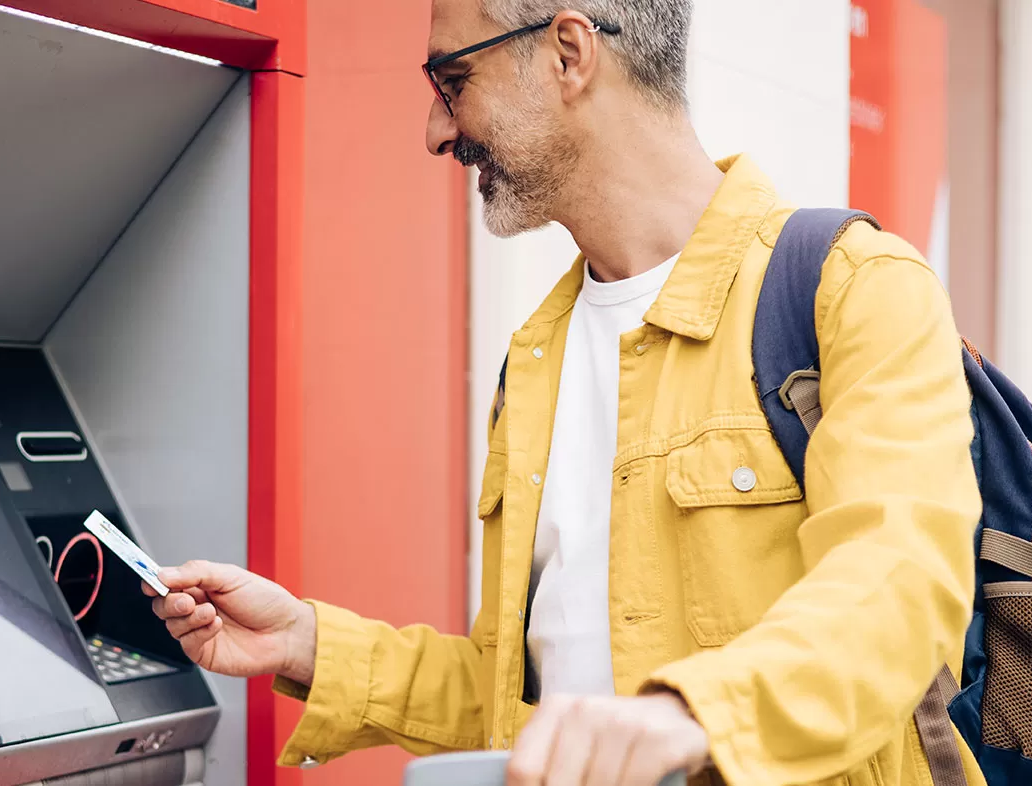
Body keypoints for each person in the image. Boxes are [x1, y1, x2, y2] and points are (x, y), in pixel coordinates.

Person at [146, 2, 983, 784]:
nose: (438, 131)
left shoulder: (855, 288)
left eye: (452, 81)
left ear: (569, 53)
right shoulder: (535, 359)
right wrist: (306, 644)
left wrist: (690, 716)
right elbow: (511, 698)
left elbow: (899, 595)